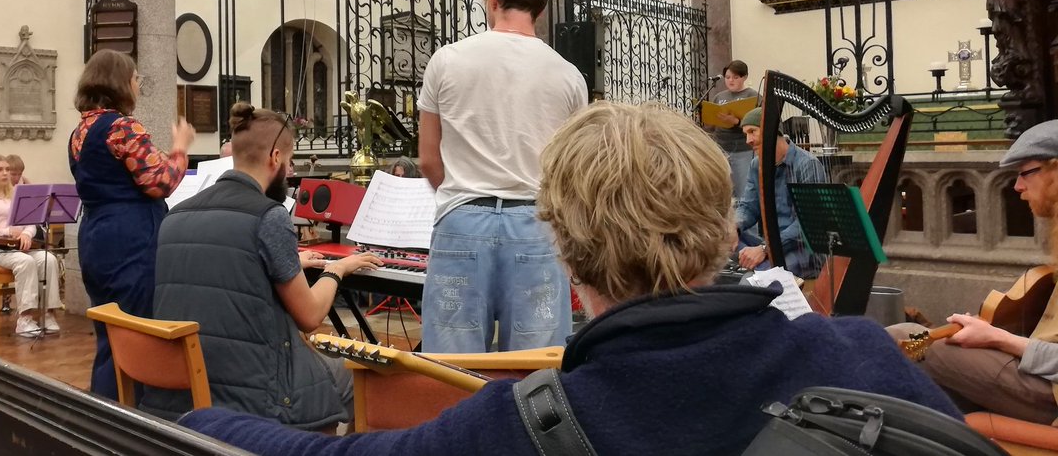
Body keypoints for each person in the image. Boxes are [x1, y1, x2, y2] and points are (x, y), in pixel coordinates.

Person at [176, 102, 958, 455]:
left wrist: (196, 422)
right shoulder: (865, 355)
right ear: (724, 228)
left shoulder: (521, 421)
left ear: (564, 254)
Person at [143, 103, 382, 426]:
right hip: (257, 398)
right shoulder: (269, 216)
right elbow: (310, 316)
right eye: (291, 160)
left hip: (178, 391)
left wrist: (287, 262)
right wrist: (336, 270)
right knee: (363, 371)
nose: (291, 168)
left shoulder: (176, 216)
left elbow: (224, 267)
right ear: (275, 158)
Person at [417, 0, 587, 353]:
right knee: (535, 368)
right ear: (542, 8)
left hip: (462, 219)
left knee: (449, 368)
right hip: (536, 223)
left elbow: (427, 159)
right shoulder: (568, 75)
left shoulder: (447, 61)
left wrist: (462, 194)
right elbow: (574, 171)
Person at [889, 119, 1058, 424]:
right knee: (904, 342)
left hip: (1049, 394)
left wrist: (998, 339)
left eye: (1025, 173)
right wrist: (994, 333)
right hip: (1038, 371)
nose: (1017, 186)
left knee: (919, 345)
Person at [68, 49, 195, 399]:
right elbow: (161, 180)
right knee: (138, 331)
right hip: (131, 237)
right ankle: (132, 419)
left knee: (111, 333)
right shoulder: (122, 126)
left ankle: (104, 411)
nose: (138, 85)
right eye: (136, 78)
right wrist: (180, 148)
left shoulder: (81, 130)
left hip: (96, 234)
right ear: (121, 82)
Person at [0, 154, 60, 336]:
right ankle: (25, 319)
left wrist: (26, 233)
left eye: (7, 169)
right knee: (25, 262)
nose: (5, 173)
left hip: (18, 248)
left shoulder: (17, 194)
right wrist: (6, 232)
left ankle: (48, 314)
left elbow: (31, 223)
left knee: (48, 259)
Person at [734, 106, 826, 279]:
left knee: (759, 278)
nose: (748, 140)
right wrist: (734, 227)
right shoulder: (757, 164)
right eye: (745, 134)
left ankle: (761, 269)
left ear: (771, 131)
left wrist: (764, 249)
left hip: (801, 249)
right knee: (721, 243)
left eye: (752, 131)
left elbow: (807, 224)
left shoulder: (807, 165)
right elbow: (748, 206)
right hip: (768, 242)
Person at [711, 60, 760, 199]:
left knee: (744, 191)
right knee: (723, 192)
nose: (730, 80)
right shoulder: (719, 97)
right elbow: (711, 124)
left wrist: (737, 122)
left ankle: (745, 220)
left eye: (735, 77)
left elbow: (758, 123)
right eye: (727, 77)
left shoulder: (752, 96)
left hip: (743, 150)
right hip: (720, 149)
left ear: (744, 77)